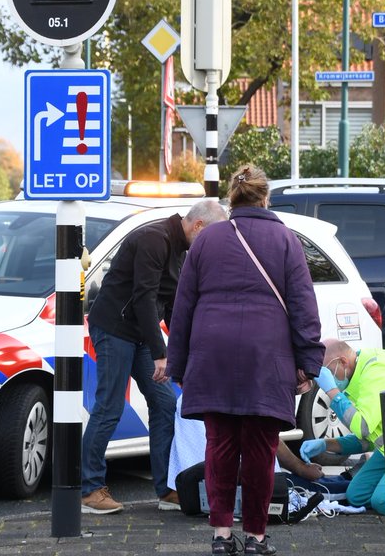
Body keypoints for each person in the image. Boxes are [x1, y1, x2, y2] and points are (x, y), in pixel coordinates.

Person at [166, 164, 324, 556]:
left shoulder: (206, 240)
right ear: (265, 198)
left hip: (213, 354)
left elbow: (182, 306)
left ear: (231, 199)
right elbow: (304, 305)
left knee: (218, 446)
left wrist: (179, 364)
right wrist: (308, 362)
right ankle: (255, 536)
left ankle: (221, 535)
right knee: (260, 450)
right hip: (265, 358)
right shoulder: (286, 240)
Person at [81, 199, 228, 515]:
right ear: (198, 225)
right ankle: (90, 489)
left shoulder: (180, 249)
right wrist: (161, 354)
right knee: (110, 405)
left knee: (164, 403)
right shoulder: (154, 238)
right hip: (115, 328)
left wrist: (183, 352)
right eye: (212, 236)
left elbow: (174, 304)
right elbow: (144, 298)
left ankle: (167, 488)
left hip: (138, 334)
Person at [298, 338, 385, 515]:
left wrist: (333, 393)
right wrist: (325, 444)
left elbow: (362, 427)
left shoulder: (375, 372)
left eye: (327, 372)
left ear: (342, 362)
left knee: (382, 501)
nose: (324, 381)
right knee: (357, 496)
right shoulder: (355, 378)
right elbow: (367, 439)